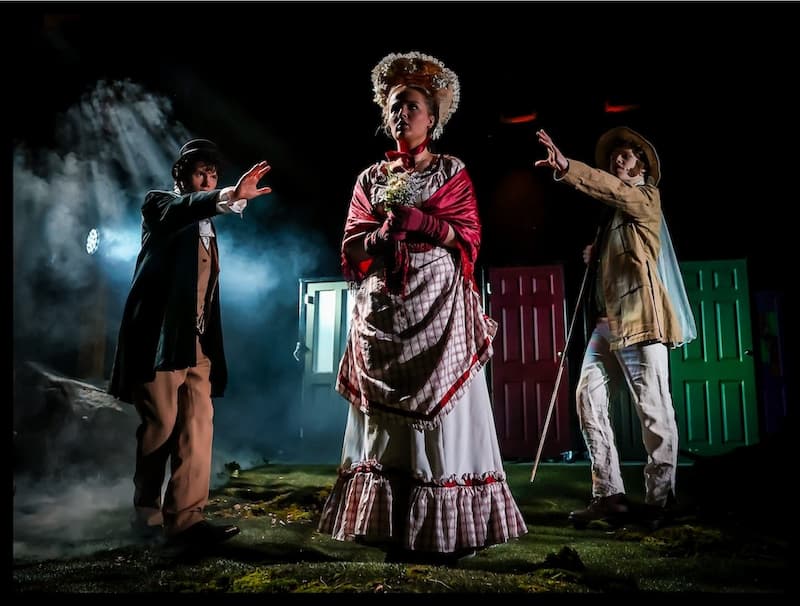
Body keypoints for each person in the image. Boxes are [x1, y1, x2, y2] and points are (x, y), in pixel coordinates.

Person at [317, 51, 527, 565]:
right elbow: (352, 245)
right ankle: (392, 529)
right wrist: (381, 235)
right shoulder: (369, 178)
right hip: (384, 307)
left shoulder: (451, 171)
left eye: (411, 105)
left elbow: (468, 235)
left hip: (439, 305)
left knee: (445, 415)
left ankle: (446, 531)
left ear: (432, 117)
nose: (401, 113)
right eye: (394, 106)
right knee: (387, 425)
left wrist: (426, 224)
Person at [108, 138, 273, 546]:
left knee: (198, 427)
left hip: (196, 346)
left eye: (213, 175)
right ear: (181, 176)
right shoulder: (159, 204)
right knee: (160, 427)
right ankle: (146, 515)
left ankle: (186, 521)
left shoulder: (208, 226)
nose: (207, 180)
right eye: (200, 173)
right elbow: (183, 210)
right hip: (159, 342)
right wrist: (228, 195)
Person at [535, 126, 696, 530]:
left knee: (653, 408)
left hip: (641, 319)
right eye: (613, 157)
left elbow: (613, 191)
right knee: (587, 397)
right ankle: (609, 494)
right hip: (607, 325)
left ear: (642, 165)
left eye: (625, 156)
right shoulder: (611, 218)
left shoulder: (645, 197)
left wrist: (567, 167)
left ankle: (661, 500)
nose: (617, 161)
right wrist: (600, 252)